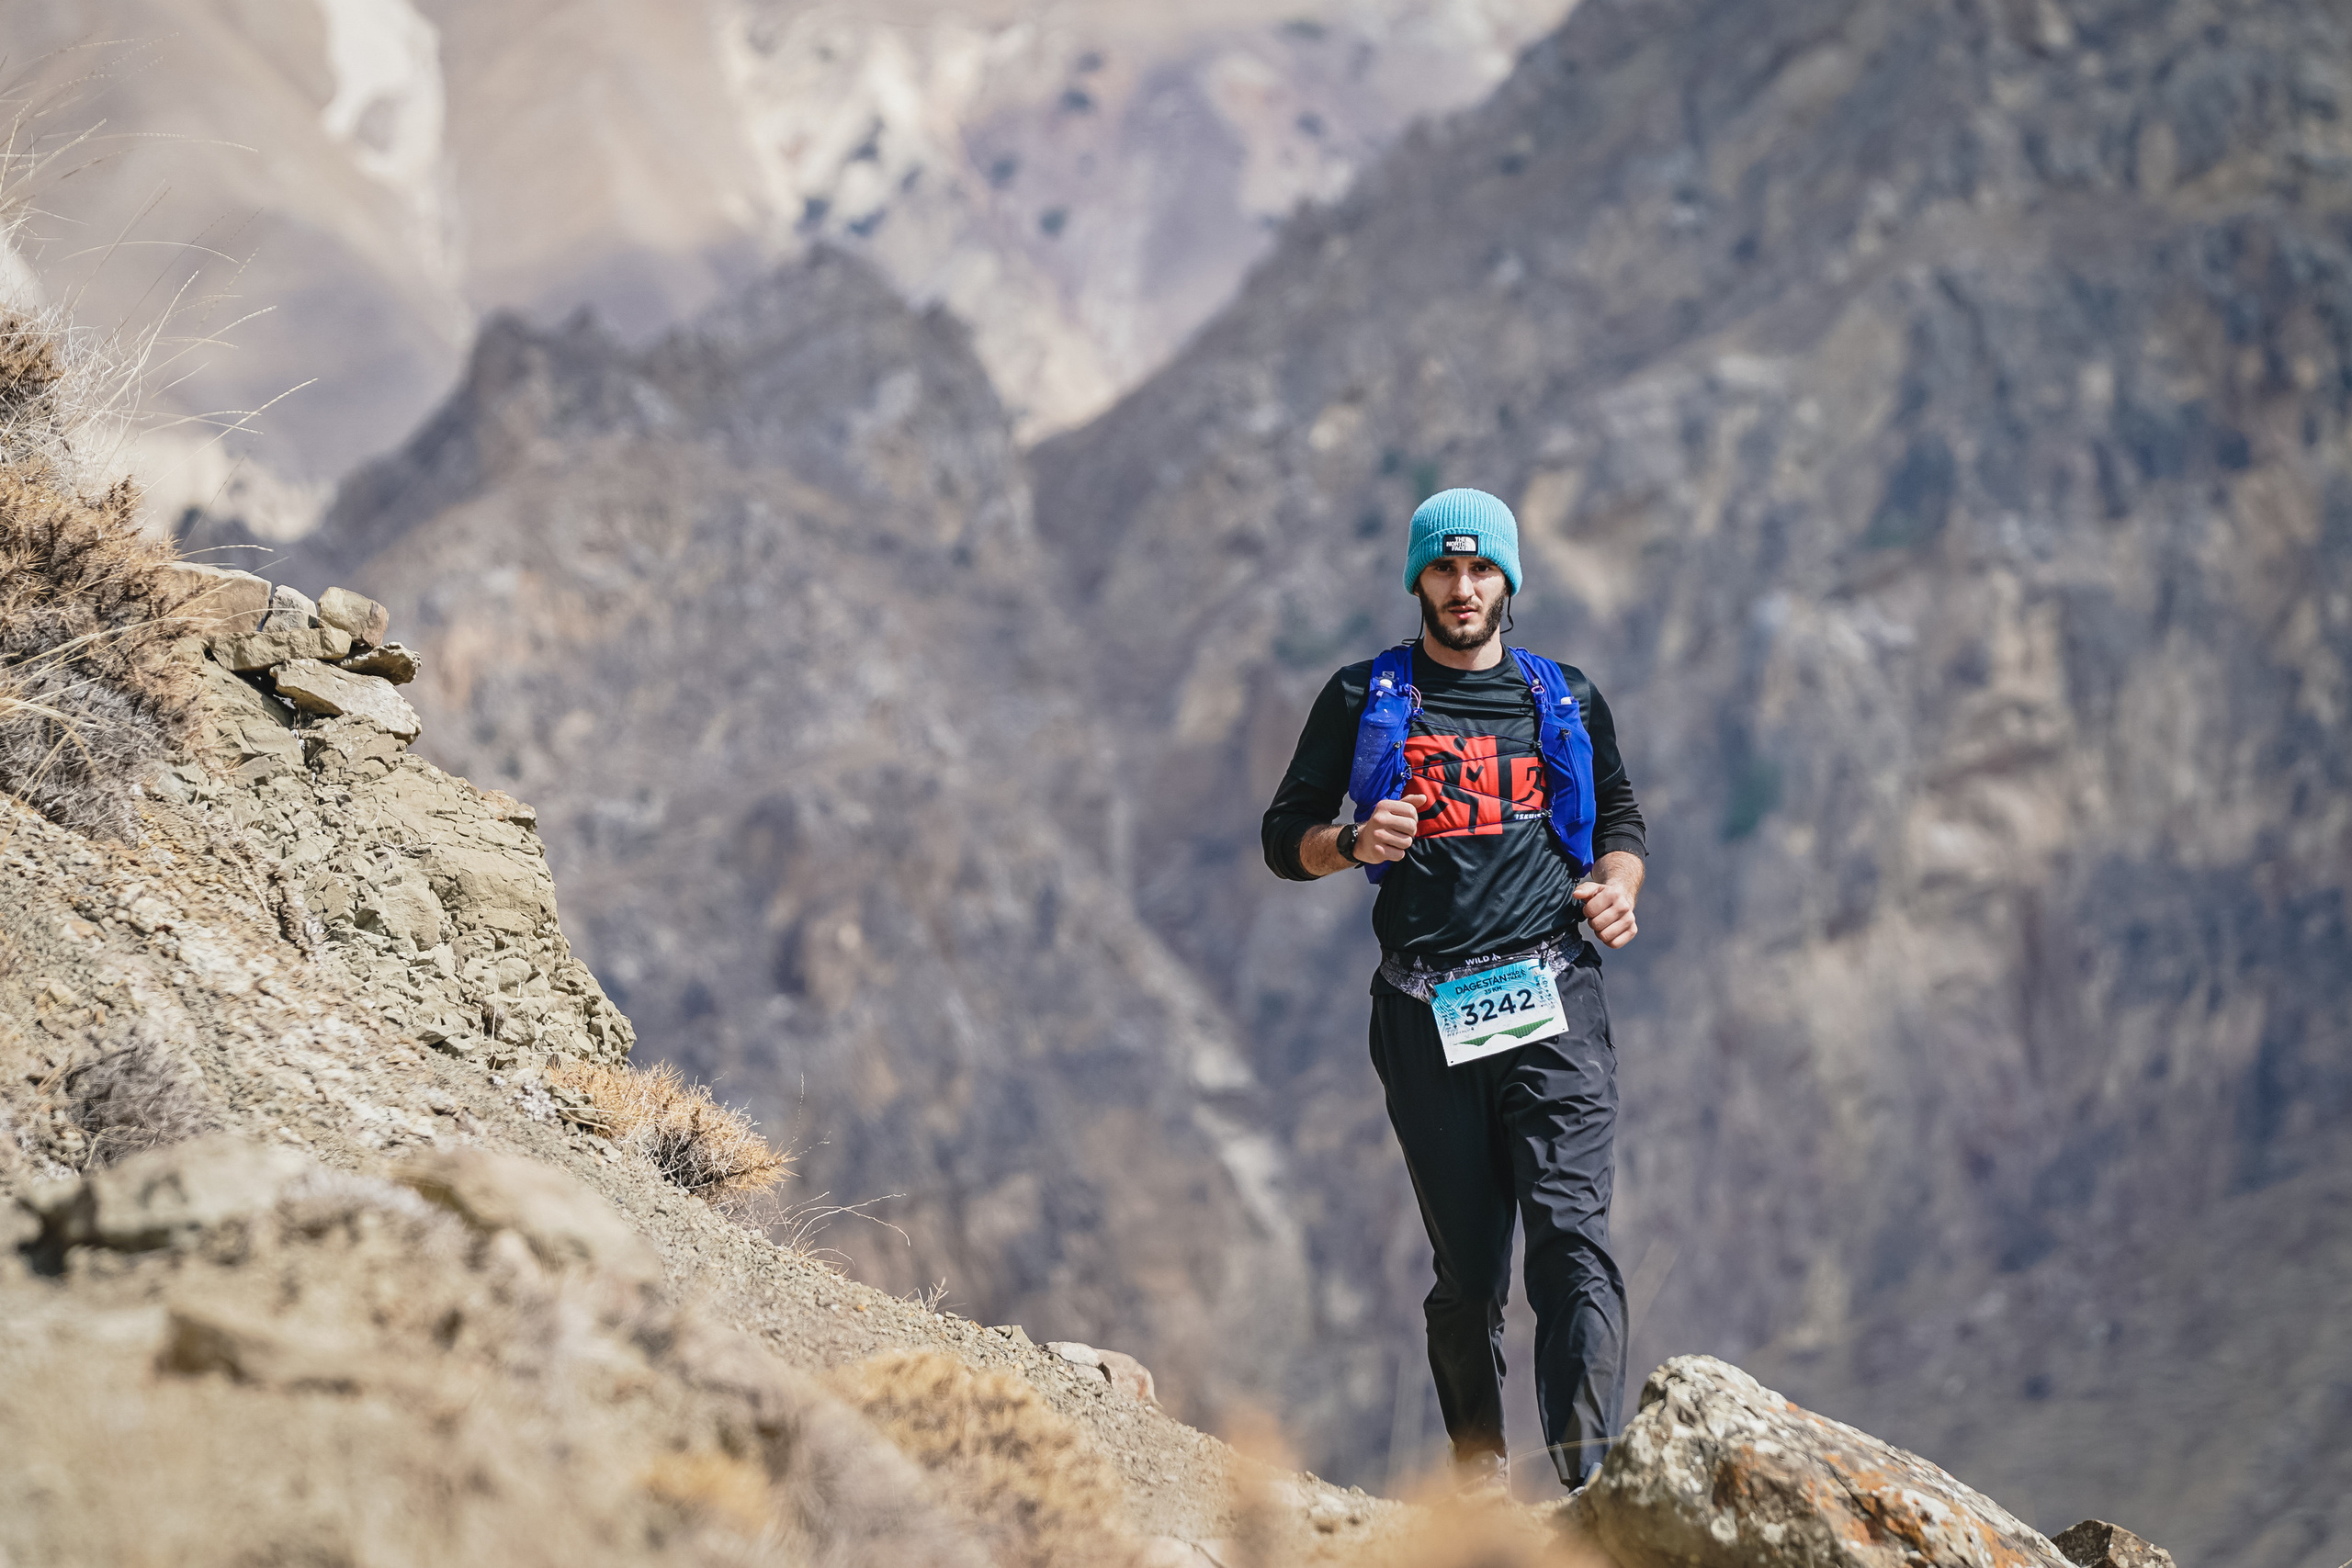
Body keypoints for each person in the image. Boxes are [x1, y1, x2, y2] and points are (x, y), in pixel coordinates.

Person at [1260, 488, 1647, 1498]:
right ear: (1417, 580)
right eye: (1444, 568)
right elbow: (1282, 837)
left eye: (1481, 570)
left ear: (1509, 580)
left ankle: (1590, 1489)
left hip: (1553, 997)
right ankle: (1478, 1482)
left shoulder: (1565, 697)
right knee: (1470, 1272)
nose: (1463, 588)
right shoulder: (1362, 696)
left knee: (1570, 1240)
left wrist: (1618, 884)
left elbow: (1619, 816)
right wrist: (1351, 842)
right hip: (1425, 1013)